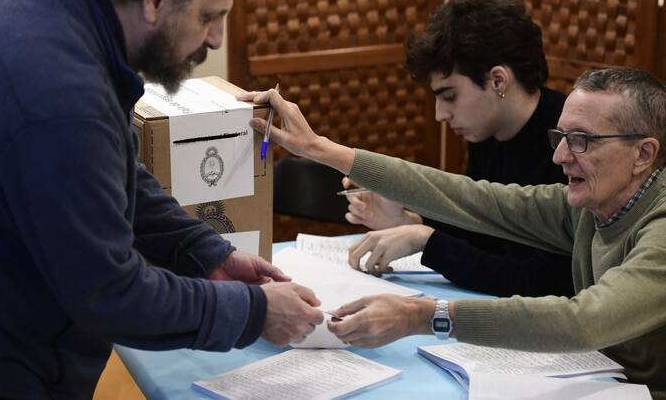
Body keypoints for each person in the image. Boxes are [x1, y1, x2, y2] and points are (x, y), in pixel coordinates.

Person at [0, 0, 324, 398]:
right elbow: (111, 294)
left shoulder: (47, 1)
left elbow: (110, 172)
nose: (218, 39)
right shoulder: (59, 96)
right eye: (209, 16)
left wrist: (203, 250)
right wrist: (253, 312)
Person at [241, 67, 666, 397]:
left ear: (643, 154)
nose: (560, 156)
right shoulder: (589, 205)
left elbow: (585, 322)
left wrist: (424, 316)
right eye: (561, 136)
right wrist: (320, 148)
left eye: (582, 140)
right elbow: (467, 198)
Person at [342, 0, 573, 297]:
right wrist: (408, 221)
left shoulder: (570, 144)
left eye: (450, 96)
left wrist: (427, 241)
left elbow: (541, 281)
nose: (440, 114)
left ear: (498, 81)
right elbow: (484, 234)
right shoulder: (487, 131)